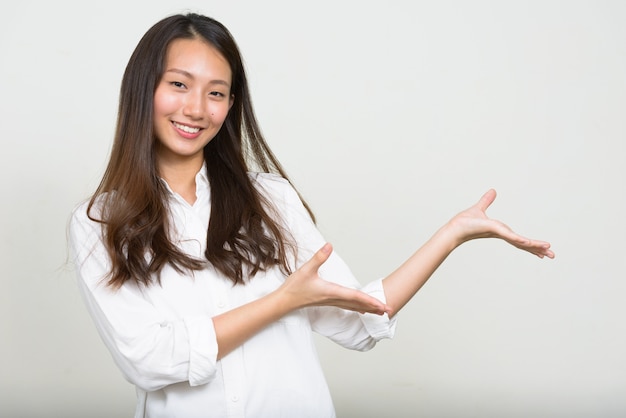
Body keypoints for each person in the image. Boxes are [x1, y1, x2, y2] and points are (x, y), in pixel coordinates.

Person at [68, 12, 554, 418]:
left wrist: (453, 234)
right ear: (143, 89)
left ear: (231, 105)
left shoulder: (271, 200)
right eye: (178, 85)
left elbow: (359, 320)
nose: (196, 108)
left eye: (216, 93)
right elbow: (150, 360)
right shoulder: (98, 223)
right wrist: (283, 301)